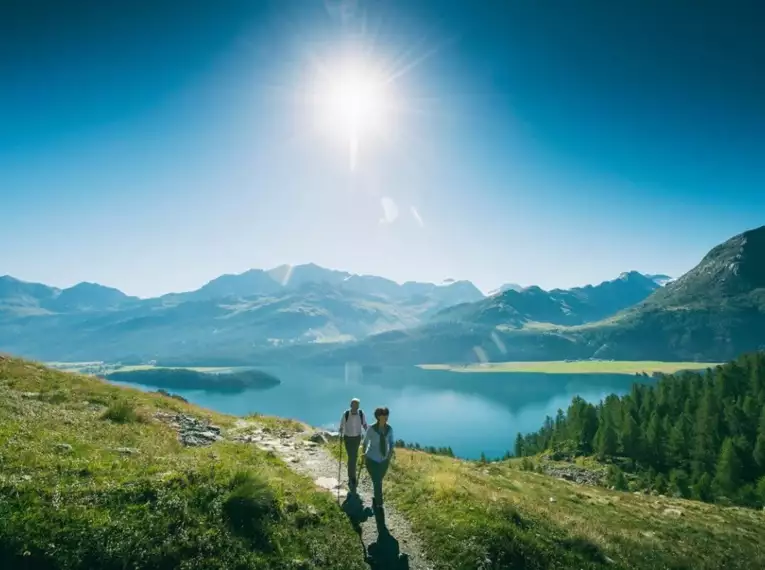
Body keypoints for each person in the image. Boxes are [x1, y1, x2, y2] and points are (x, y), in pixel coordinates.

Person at [362, 406, 395, 511]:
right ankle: (379, 504)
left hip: (384, 460)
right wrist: (363, 453)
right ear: (378, 416)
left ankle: (376, 498)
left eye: (387, 415)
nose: (386, 417)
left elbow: (391, 442)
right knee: (377, 481)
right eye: (383, 415)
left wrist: (390, 454)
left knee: (378, 480)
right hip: (372, 459)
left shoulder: (389, 429)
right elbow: (365, 442)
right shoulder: (371, 429)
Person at [339, 398, 368, 491]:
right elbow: (342, 426)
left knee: (353, 457)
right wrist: (340, 434)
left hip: (357, 438)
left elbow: (364, 425)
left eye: (357, 405)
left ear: (358, 406)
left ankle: (352, 477)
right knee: (352, 457)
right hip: (348, 438)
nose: (355, 406)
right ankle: (352, 477)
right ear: (351, 405)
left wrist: (370, 433)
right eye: (354, 404)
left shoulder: (361, 413)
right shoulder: (346, 414)